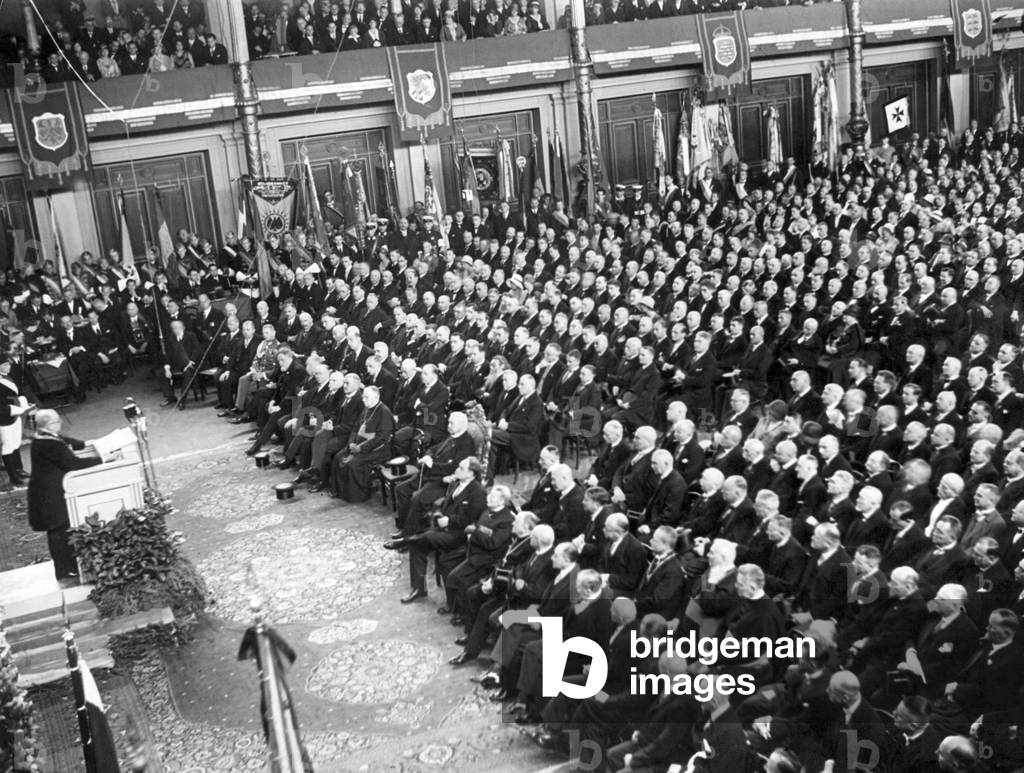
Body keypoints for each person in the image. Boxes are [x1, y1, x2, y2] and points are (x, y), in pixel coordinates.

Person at [27, 410, 102, 583]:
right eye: (57, 421)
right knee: (58, 531)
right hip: (49, 495)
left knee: (60, 530)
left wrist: (94, 443)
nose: (60, 423)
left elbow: (69, 442)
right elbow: (73, 463)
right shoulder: (48, 443)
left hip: (48, 492)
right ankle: (65, 572)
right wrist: (103, 460)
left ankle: (67, 569)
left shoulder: (44, 436)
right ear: (49, 425)